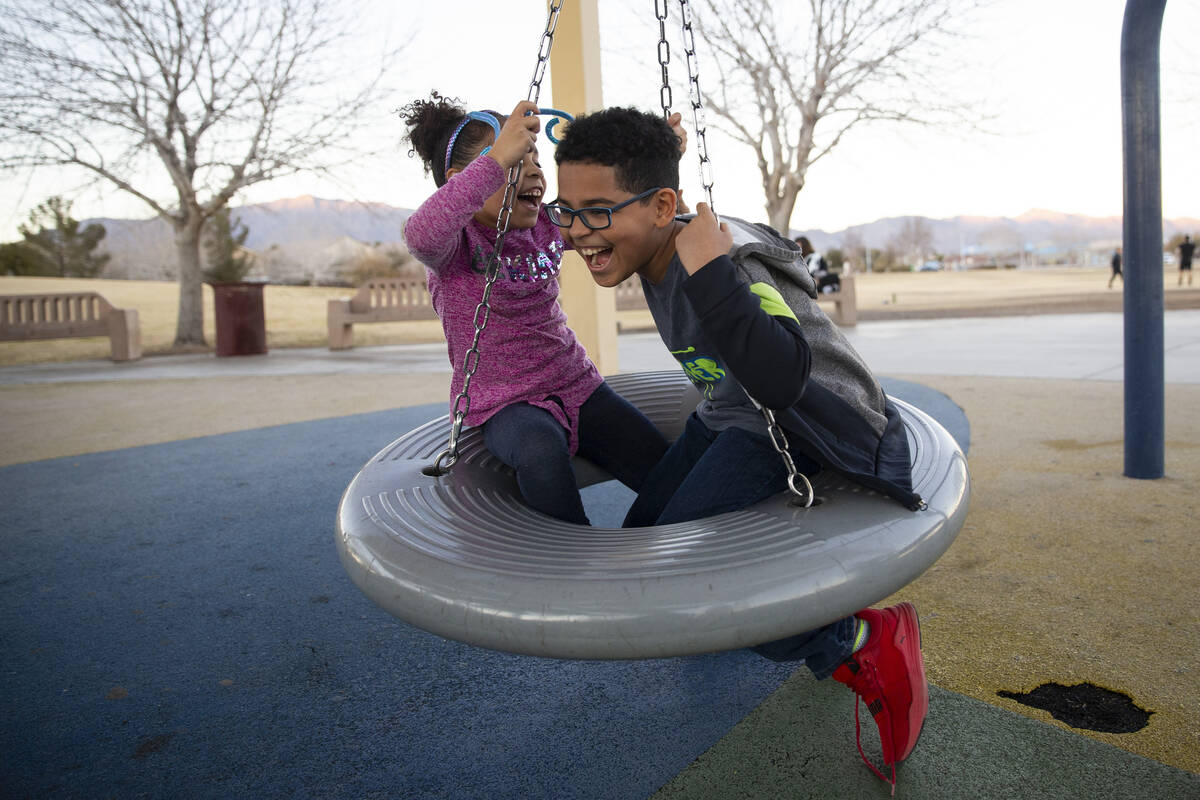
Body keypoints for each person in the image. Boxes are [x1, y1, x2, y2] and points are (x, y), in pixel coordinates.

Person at [550, 106, 927, 792]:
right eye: (567, 210)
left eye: (598, 211)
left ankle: (864, 642)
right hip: (727, 413)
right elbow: (639, 198)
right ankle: (745, 624)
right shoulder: (651, 235)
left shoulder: (732, 267)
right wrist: (667, 149)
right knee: (642, 545)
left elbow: (784, 377)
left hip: (795, 430)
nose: (579, 231)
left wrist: (712, 272)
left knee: (692, 593)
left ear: (662, 206)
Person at [399, 93, 669, 525]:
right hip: (506, 402)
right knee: (539, 452)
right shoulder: (455, 246)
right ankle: (573, 559)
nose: (534, 173)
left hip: (578, 384)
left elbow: (605, 215)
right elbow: (420, 235)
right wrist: (493, 164)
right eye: (514, 163)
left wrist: (654, 166)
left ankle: (646, 537)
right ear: (461, 182)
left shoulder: (547, 223)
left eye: (536, 161)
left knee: (664, 466)